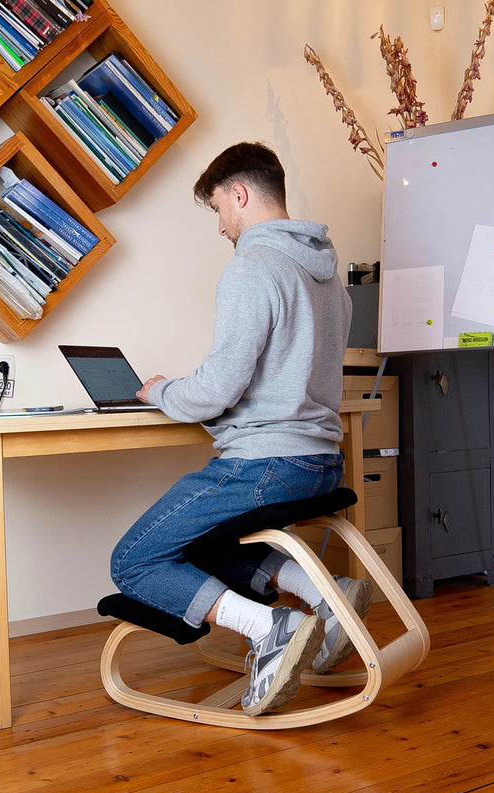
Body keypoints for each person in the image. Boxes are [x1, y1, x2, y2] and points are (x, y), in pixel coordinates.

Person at [110, 141, 372, 717]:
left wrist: (159, 392)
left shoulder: (254, 267)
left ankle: (268, 627)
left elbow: (216, 390)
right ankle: (320, 594)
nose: (222, 227)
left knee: (134, 560)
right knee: (200, 539)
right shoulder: (330, 279)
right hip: (321, 461)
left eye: (219, 210)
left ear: (241, 194)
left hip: (267, 465)